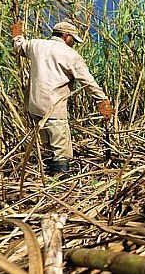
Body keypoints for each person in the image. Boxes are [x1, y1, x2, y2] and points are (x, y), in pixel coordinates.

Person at [10, 20, 113, 174]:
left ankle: (51, 175)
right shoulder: (71, 55)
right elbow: (88, 82)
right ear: (66, 36)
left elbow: (19, 46)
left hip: (34, 106)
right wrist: (102, 100)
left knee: (48, 144)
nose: (74, 44)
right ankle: (61, 181)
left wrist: (17, 34)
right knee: (61, 149)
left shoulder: (36, 45)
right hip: (53, 108)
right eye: (73, 39)